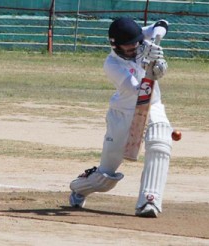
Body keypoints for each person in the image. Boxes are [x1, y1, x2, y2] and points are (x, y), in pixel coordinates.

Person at [69, 17, 172, 218]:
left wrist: (157, 50)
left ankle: (149, 201)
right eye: (128, 47)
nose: (134, 49)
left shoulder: (138, 37)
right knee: (105, 178)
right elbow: (139, 91)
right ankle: (79, 187)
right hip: (123, 113)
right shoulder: (111, 64)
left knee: (160, 143)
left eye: (137, 44)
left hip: (152, 106)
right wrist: (151, 69)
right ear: (115, 46)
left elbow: (162, 24)